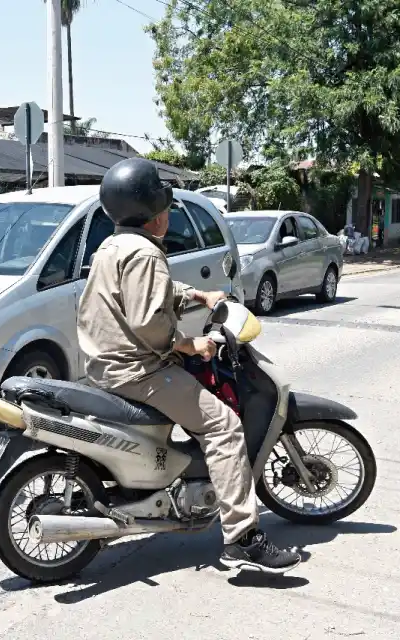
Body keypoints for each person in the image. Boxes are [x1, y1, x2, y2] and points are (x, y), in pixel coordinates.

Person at [76, 157, 301, 573]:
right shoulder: (144, 253)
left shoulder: (113, 245)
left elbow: (148, 296)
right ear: (153, 213)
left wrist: (198, 296)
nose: (167, 215)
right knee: (224, 425)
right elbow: (149, 322)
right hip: (138, 370)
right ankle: (242, 538)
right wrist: (190, 343)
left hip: (104, 364)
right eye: (164, 207)